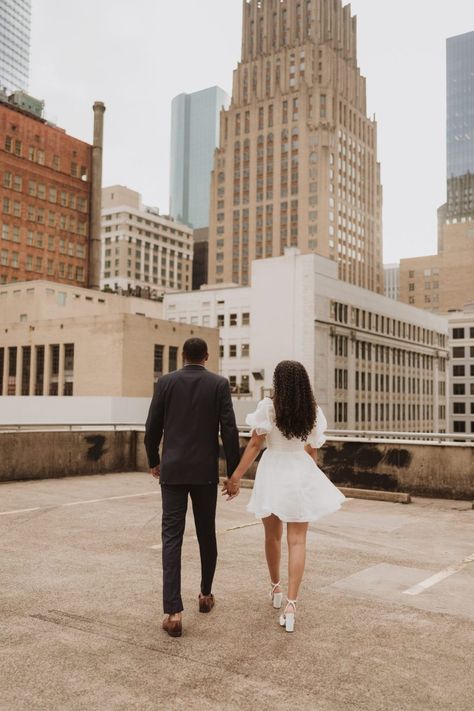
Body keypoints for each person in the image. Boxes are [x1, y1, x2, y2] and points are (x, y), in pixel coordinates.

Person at [222, 360, 345, 633]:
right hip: (299, 469)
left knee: (272, 536)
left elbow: (254, 444)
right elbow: (313, 449)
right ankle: (291, 604)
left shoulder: (269, 407)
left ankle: (275, 588)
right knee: (298, 540)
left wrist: (235, 477)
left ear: (278, 381)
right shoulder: (311, 410)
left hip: (273, 471)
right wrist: (311, 476)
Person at [145, 337, 240, 638]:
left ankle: (173, 612)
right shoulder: (219, 384)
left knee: (171, 537)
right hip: (204, 472)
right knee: (205, 532)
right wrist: (233, 473)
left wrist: (154, 460)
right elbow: (230, 430)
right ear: (206, 357)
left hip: (172, 471)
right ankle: (205, 595)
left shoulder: (166, 382)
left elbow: (152, 428)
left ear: (183, 355)